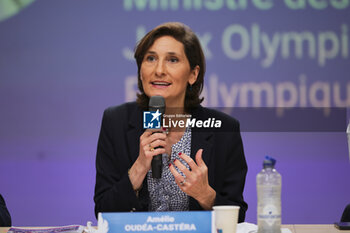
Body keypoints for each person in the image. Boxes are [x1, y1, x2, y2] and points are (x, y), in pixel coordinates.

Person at [94, 22, 248, 222]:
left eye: (172, 60)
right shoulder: (116, 122)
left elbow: (237, 217)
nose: (159, 70)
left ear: (193, 74)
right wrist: (139, 168)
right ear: (141, 71)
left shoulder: (224, 129)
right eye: (150, 59)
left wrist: (205, 194)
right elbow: (102, 212)